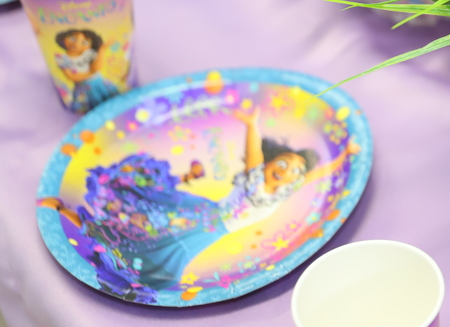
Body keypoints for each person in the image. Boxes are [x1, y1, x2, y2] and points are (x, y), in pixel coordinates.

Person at [38, 107, 356, 291]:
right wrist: (250, 125)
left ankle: (92, 231)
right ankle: (71, 214)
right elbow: (254, 153)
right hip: (202, 216)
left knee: (151, 246)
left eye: (295, 171)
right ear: (269, 162)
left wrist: (342, 157)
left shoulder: (281, 194)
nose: (287, 171)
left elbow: (316, 174)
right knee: (138, 222)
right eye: (282, 163)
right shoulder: (255, 179)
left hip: (210, 229)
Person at [54, 29, 120, 113]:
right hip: (83, 89)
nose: (76, 43)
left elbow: (97, 66)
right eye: (73, 38)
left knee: (111, 103)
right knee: (87, 110)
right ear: (64, 38)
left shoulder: (88, 53)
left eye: (84, 42)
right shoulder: (62, 58)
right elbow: (72, 76)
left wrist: (102, 49)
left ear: (90, 46)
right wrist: (91, 72)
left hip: (100, 84)